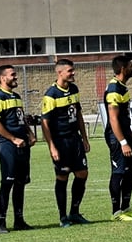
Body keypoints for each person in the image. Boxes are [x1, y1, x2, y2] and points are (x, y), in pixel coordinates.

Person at [40, 57, 93, 225]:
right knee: (62, 176)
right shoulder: (51, 95)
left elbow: (78, 114)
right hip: (60, 141)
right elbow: (45, 123)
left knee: (82, 173)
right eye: (70, 71)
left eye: (73, 70)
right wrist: (52, 147)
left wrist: (84, 138)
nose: (73, 73)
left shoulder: (74, 89)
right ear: (60, 72)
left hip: (75, 139)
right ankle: (63, 217)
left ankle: (74, 212)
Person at [0, 63, 36, 231]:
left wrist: (29, 133)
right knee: (7, 182)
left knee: (21, 182)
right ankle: (1, 223)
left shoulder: (15, 97)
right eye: (12, 75)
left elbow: (20, 119)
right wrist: (13, 138)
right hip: (8, 145)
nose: (16, 77)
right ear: (3, 78)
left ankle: (19, 220)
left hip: (23, 145)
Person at [103, 54, 132, 221]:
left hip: (124, 135)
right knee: (119, 172)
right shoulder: (113, 89)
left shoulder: (122, 87)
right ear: (123, 68)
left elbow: (123, 118)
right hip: (116, 137)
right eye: (131, 65)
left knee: (131, 170)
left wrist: (130, 135)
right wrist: (123, 142)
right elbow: (113, 119)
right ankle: (116, 212)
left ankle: (125, 207)